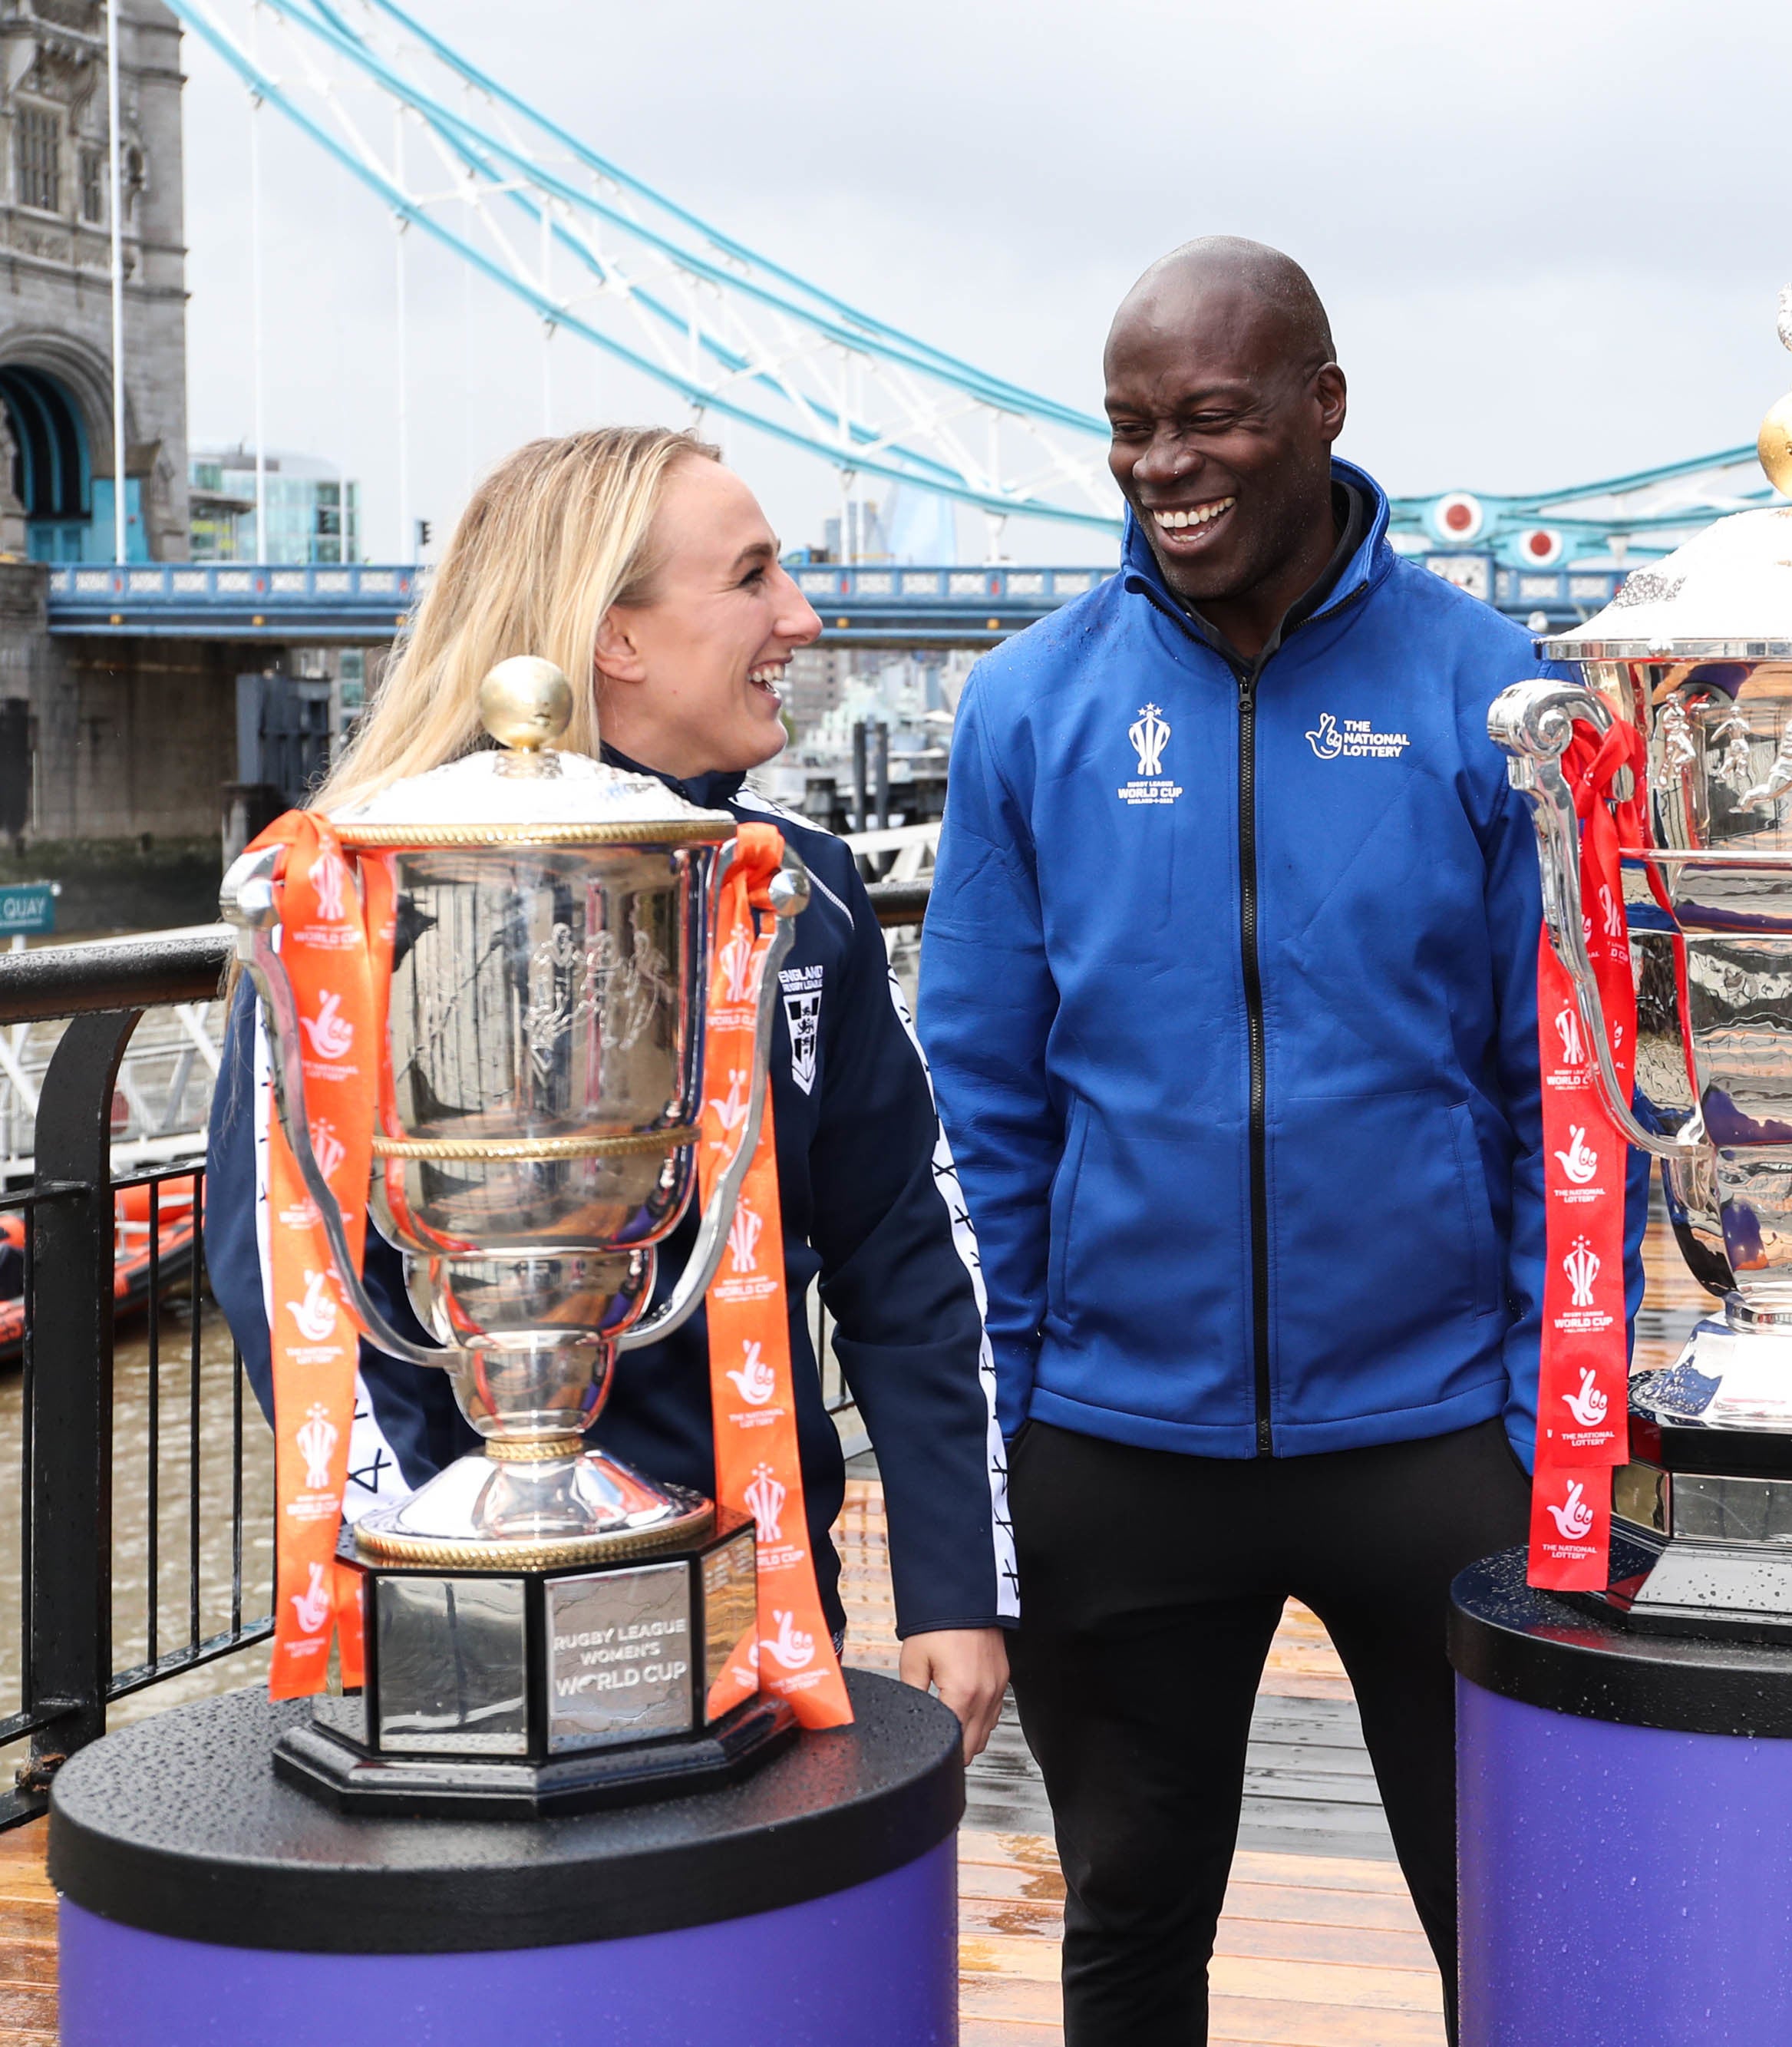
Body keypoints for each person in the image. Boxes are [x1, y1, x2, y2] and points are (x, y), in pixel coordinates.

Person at [919, 237, 1637, 2045]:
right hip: (1114, 1434)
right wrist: (994, 1436)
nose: (1163, 463)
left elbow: (1571, 1098)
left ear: (1322, 406)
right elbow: (987, 1105)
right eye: (1128, 426)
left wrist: (1561, 1418)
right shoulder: (1026, 707)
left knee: (1519, 1925)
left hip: (1428, 1432)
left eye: (1209, 417)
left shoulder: (1496, 697)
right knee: (1131, 1923)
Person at [206, 427, 1014, 1760]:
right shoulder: (349, 898)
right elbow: (292, 1288)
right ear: (613, 638)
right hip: (462, 1626)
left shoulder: (798, 892)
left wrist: (952, 1577)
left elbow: (904, 1249)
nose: (803, 618)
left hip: (768, 1597)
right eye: (752, 577)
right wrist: (456, 1575)